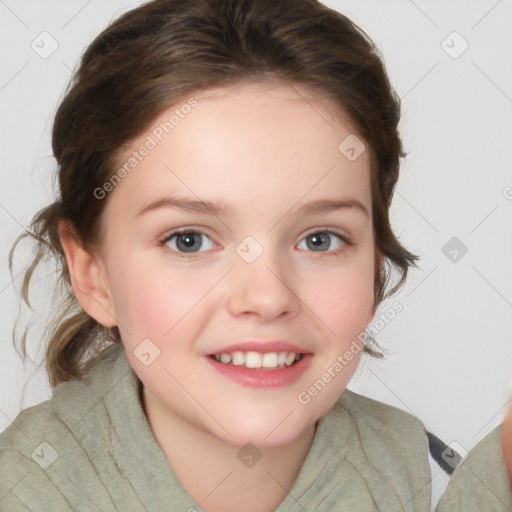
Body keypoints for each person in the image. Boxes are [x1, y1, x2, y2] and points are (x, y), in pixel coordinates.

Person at [0, 0, 509, 510]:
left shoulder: (433, 481)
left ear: (375, 262)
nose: (267, 297)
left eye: (320, 239)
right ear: (92, 274)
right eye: (189, 240)